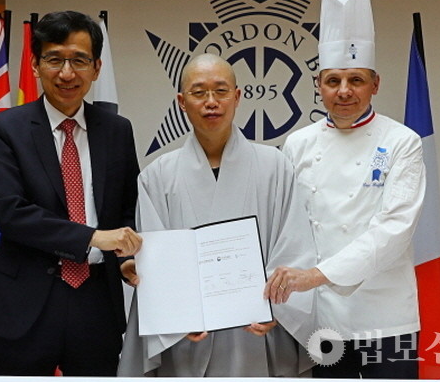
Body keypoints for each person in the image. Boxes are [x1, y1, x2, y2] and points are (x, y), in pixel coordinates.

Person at [118, 53, 317, 377]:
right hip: (187, 337)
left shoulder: (275, 167)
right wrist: (177, 318)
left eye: (221, 91)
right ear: (182, 102)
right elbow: (159, 264)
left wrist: (276, 307)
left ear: (237, 97)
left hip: (259, 329)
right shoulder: (157, 177)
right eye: (199, 92)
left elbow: (293, 246)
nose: (211, 102)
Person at [265, 0, 426, 378]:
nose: (344, 91)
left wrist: (316, 276)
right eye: (333, 80)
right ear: (318, 84)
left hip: (386, 315)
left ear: (375, 84)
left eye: (356, 79)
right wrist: (273, 300)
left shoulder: (402, 141)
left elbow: (393, 230)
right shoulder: (298, 144)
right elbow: (286, 229)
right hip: (321, 315)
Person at [0, 10, 142, 376]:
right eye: (55, 60)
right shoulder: (8, 127)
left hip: (97, 303)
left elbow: (128, 209)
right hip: (25, 305)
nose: (67, 73)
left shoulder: (117, 130)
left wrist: (126, 259)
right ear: (36, 65)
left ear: (96, 68)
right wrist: (93, 237)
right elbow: (11, 212)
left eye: (79, 61)